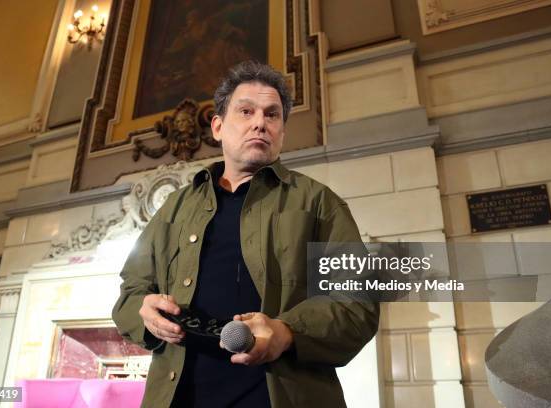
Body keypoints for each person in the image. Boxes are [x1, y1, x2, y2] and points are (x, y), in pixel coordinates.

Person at [112, 61, 380, 408]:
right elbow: (130, 294)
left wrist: (286, 332)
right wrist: (144, 313)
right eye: (246, 111)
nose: (260, 123)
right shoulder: (174, 208)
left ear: (282, 132)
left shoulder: (319, 203)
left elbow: (357, 305)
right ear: (218, 127)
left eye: (273, 115)